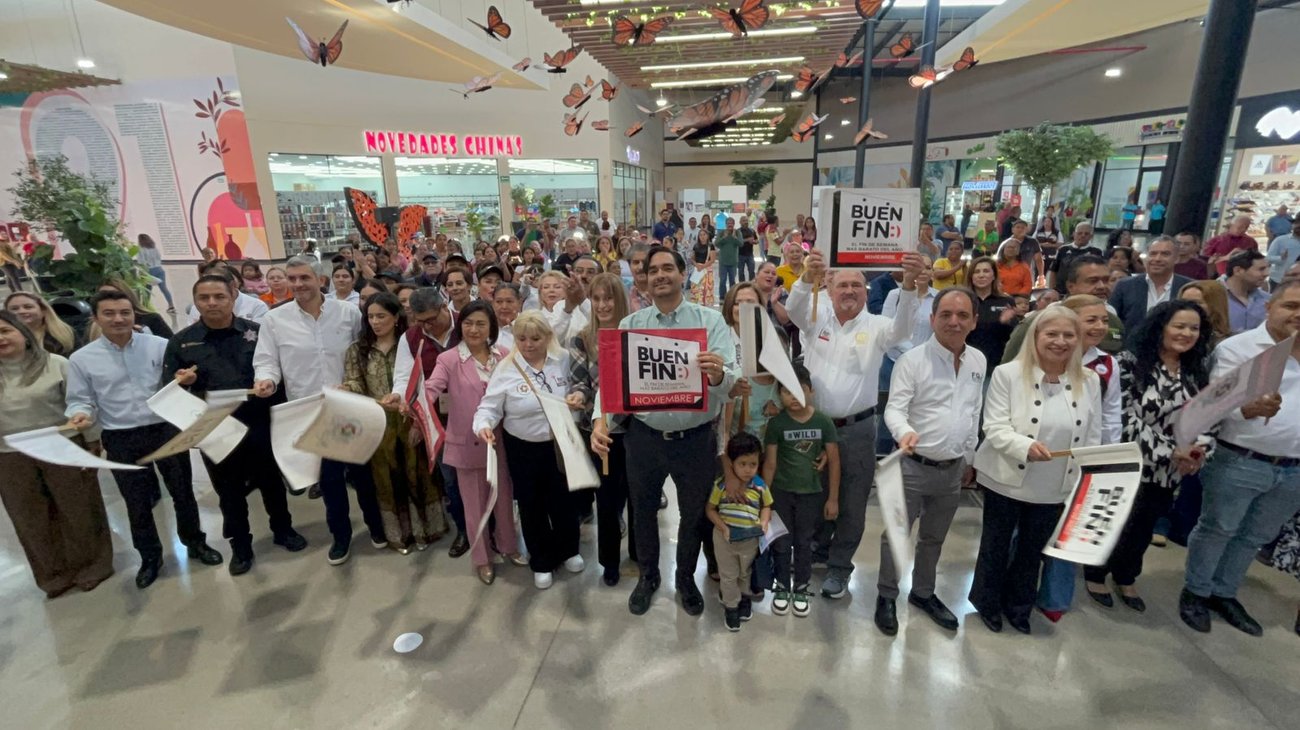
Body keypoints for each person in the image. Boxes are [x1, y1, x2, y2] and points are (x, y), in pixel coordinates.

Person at [590, 245, 736, 616]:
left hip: (696, 439)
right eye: (652, 270)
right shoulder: (630, 325)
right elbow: (611, 383)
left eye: (667, 268)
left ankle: (685, 579)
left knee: (694, 514)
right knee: (642, 512)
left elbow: (732, 382)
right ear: (645, 279)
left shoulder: (710, 322)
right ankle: (648, 577)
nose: (660, 275)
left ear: (682, 274)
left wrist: (717, 374)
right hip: (645, 438)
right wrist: (599, 421)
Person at [787, 249, 926, 599]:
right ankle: (818, 549)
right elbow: (793, 309)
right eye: (842, 285)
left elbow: (903, 328)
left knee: (851, 500)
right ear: (830, 290)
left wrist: (909, 285)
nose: (849, 290)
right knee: (813, 492)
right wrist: (805, 276)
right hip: (815, 426)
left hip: (858, 430)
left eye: (856, 285)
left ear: (866, 292)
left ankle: (839, 567)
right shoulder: (815, 320)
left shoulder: (877, 326)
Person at [65, 290, 222, 588]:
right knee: (136, 502)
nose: (118, 319)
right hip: (121, 436)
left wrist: (187, 380)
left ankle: (196, 542)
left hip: (165, 429)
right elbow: (79, 399)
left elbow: (179, 380)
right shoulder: (82, 359)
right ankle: (150, 557)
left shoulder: (160, 346)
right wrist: (80, 414)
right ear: (96, 318)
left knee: (182, 492)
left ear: (133, 314)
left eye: (125, 312)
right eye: (109, 313)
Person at [969, 306, 1102, 634]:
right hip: (1006, 478)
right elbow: (994, 426)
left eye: (1068, 335)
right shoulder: (1008, 374)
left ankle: (1019, 606)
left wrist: (1088, 476)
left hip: (1056, 484)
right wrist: (1024, 446)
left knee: (1032, 550)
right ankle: (988, 603)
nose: (1060, 341)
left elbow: (1093, 433)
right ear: (1035, 336)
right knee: (996, 546)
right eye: (1051, 334)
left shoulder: (1089, 380)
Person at [163, 274, 307, 576]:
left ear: (233, 297)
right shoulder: (182, 342)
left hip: (260, 421)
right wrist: (184, 384)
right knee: (228, 491)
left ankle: (283, 530)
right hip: (217, 428)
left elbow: (276, 370)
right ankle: (240, 546)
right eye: (204, 298)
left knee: (271, 482)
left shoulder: (256, 331)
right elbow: (170, 392)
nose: (212, 303)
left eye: (219, 296)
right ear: (196, 302)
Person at [1179, 282, 1300, 636]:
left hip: (1293, 468)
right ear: (1269, 307)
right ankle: (1196, 591)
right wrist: (1246, 408)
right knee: (1218, 529)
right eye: (1291, 305)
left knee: (1255, 536)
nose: (1298, 315)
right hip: (1242, 459)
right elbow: (1211, 405)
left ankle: (1225, 592)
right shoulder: (1241, 348)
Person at [1083, 301, 1213, 613]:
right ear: (1161, 327)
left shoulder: (1196, 371)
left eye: (1193, 328)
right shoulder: (1129, 362)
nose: (1186, 333)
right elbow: (1122, 416)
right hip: (1130, 461)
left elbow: (1210, 416)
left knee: (1144, 527)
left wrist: (1198, 451)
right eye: (1179, 326)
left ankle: (1126, 575)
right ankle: (1095, 573)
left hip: (1170, 471)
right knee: (1114, 521)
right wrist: (1171, 451)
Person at [253, 256, 383, 566]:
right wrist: (266, 380)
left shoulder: (347, 313)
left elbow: (364, 352)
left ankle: (377, 527)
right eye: (292, 278)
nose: (297, 284)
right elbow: (267, 360)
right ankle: (340, 537)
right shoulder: (275, 320)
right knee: (329, 481)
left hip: (349, 407)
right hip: (310, 411)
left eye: (304, 278)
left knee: (364, 475)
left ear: (320, 280)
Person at [876, 287, 986, 635]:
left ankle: (923, 592)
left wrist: (969, 456)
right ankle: (886, 594)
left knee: (934, 538)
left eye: (963, 315)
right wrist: (904, 431)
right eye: (946, 315)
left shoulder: (978, 361)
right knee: (896, 534)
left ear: (974, 321)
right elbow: (894, 408)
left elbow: (973, 411)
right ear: (932, 318)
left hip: (952, 469)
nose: (954, 322)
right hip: (911, 465)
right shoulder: (912, 361)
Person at [0, 311, 114, 597]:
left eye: (5, 331)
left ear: (23, 333)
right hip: (10, 455)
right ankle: (53, 575)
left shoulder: (56, 364)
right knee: (29, 516)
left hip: (62, 445)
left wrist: (93, 440)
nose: (1, 339)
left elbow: (82, 403)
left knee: (78, 508)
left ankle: (93, 565)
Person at [473, 311, 582, 590]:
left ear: (548, 337)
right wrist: (483, 425)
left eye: (535, 338)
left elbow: (579, 388)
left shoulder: (562, 360)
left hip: (559, 443)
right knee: (531, 504)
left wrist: (576, 399)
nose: (528, 345)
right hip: (523, 448)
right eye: (521, 339)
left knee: (564, 500)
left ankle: (569, 549)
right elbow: (489, 406)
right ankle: (541, 560)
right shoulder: (506, 369)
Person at [1033, 294, 1124, 622]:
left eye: (1104, 320)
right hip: (1039, 457)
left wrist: (1106, 459)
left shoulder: (1106, 365)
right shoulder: (1039, 355)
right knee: (1026, 529)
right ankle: (1017, 585)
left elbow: (1110, 416)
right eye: (1091, 320)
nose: (1099, 327)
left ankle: (1055, 597)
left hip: (1082, 459)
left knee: (1070, 528)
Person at [342, 293, 448, 554]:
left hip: (410, 417)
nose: (375, 322)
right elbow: (355, 381)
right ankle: (399, 534)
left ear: (395, 316)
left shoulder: (410, 341)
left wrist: (416, 418)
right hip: (378, 422)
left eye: (381, 316)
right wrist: (346, 388)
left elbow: (417, 381)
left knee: (418, 473)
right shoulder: (358, 349)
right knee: (387, 478)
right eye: (371, 317)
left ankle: (426, 529)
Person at [427, 300, 520, 584]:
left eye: (481, 323)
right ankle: (482, 559)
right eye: (468, 323)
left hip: (501, 441)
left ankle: (508, 546)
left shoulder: (503, 354)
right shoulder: (449, 359)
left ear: (491, 327)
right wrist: (414, 400)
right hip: (467, 442)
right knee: (474, 505)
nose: (474, 329)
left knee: (504, 499)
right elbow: (432, 387)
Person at [567, 273, 636, 587]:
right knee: (606, 500)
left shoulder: (635, 334)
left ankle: (639, 553)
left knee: (638, 497)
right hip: (599, 431)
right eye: (596, 299)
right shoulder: (582, 339)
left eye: (608, 298)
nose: (603, 305)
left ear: (619, 299)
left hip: (636, 429)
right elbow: (580, 382)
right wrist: (579, 397)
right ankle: (609, 561)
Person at [763, 363, 839, 619]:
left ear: (811, 391)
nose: (793, 397)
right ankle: (782, 586)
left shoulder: (824, 422)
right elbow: (770, 464)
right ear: (779, 394)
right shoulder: (777, 424)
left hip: (811, 494)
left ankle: (802, 587)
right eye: (787, 391)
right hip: (781, 493)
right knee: (782, 542)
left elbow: (834, 461)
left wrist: (833, 499)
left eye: (799, 390)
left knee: (804, 542)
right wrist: (764, 500)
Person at [707, 432, 772, 632]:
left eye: (753, 464)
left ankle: (744, 598)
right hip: (725, 539)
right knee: (728, 575)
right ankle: (731, 607)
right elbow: (710, 510)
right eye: (742, 464)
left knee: (745, 573)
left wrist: (764, 522)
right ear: (731, 463)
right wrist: (723, 527)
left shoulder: (760, 485)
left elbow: (767, 505)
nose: (747, 469)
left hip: (750, 540)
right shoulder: (721, 485)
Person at [1109, 236, 1193, 344]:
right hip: (1131, 350)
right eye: (1153, 254)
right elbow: (1111, 322)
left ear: (1176, 258)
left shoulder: (1189, 287)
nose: (1157, 259)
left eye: (1165, 254)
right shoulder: (1125, 286)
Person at [966, 256, 1018, 377]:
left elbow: (1015, 336)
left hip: (997, 365)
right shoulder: (964, 300)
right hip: (967, 364)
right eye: (977, 272)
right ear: (971, 277)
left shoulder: (1006, 301)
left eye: (986, 271)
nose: (981, 275)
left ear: (994, 276)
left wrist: (1006, 323)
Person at [94, 279, 173, 338]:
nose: (118, 320)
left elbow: (172, 346)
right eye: (103, 295)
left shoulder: (151, 319)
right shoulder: (92, 325)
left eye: (114, 294)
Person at [5, 292, 77, 356]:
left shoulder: (65, 334)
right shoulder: (4, 341)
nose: (21, 311)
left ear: (43, 310)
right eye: (14, 309)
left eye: (28, 307)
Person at [1224, 250, 1271, 334]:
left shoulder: (1269, 300)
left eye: (1268, 268)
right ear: (1238, 270)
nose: (1267, 273)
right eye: (1261, 269)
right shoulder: (1210, 296)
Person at [1178, 280, 1232, 345]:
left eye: (1196, 303)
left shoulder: (1228, 344)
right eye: (1183, 302)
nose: (1187, 306)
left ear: (1215, 306)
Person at [1048, 222, 1096, 295]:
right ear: (1074, 234)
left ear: (1091, 236)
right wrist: (1051, 290)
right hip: (1061, 292)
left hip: (1083, 294)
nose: (1082, 236)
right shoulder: (1063, 250)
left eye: (1086, 234)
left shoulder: (1096, 252)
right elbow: (1053, 271)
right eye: (1079, 233)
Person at [135, 234, 174, 312]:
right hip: (159, 269)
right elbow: (159, 258)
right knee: (164, 289)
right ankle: (171, 305)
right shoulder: (154, 248)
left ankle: (145, 307)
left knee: (147, 290)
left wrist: (141, 273)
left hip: (148, 271)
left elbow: (141, 262)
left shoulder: (141, 250)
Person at [1267, 219, 1300, 289]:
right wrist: (1280, 258)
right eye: (1297, 223)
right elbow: (1268, 259)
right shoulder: (1280, 240)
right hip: (1279, 280)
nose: (1299, 225)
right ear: (1292, 225)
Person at [715, 219, 742, 302]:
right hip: (723, 261)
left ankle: (732, 297)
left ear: (734, 224)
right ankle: (722, 298)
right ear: (726, 224)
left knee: (732, 281)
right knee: (722, 281)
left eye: (731, 223)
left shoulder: (737, 233)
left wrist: (734, 238)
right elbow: (716, 243)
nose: (730, 225)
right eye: (728, 223)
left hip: (733, 261)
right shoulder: (721, 232)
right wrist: (724, 237)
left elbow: (741, 244)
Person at [690, 229, 717, 306]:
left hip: (706, 269)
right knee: (696, 288)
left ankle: (705, 304)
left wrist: (703, 266)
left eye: (704, 235)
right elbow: (692, 258)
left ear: (707, 236)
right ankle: (696, 304)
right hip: (697, 269)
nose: (702, 237)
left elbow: (712, 259)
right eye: (700, 235)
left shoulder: (710, 246)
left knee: (705, 288)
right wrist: (696, 265)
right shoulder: (696, 245)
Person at [738, 215, 758, 282]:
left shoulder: (752, 230)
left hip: (750, 255)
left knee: (752, 271)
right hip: (740, 255)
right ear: (740, 222)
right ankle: (742, 285)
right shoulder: (738, 231)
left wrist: (754, 242)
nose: (746, 222)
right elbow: (737, 242)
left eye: (747, 220)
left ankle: (751, 285)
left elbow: (757, 240)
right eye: (744, 221)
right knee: (741, 272)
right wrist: (747, 240)